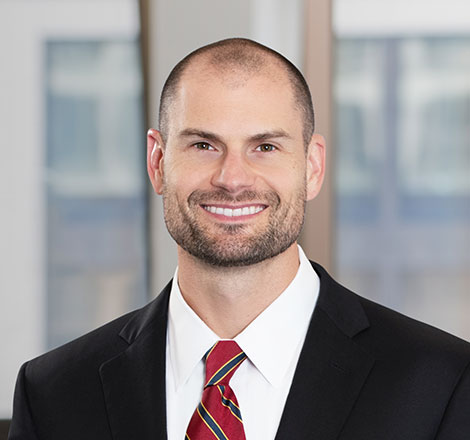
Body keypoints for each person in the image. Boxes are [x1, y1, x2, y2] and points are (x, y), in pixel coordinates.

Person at [9, 38, 470, 440]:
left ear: (312, 167)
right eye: (203, 145)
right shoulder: (53, 394)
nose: (232, 179)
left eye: (265, 147)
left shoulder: (441, 383)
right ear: (158, 162)